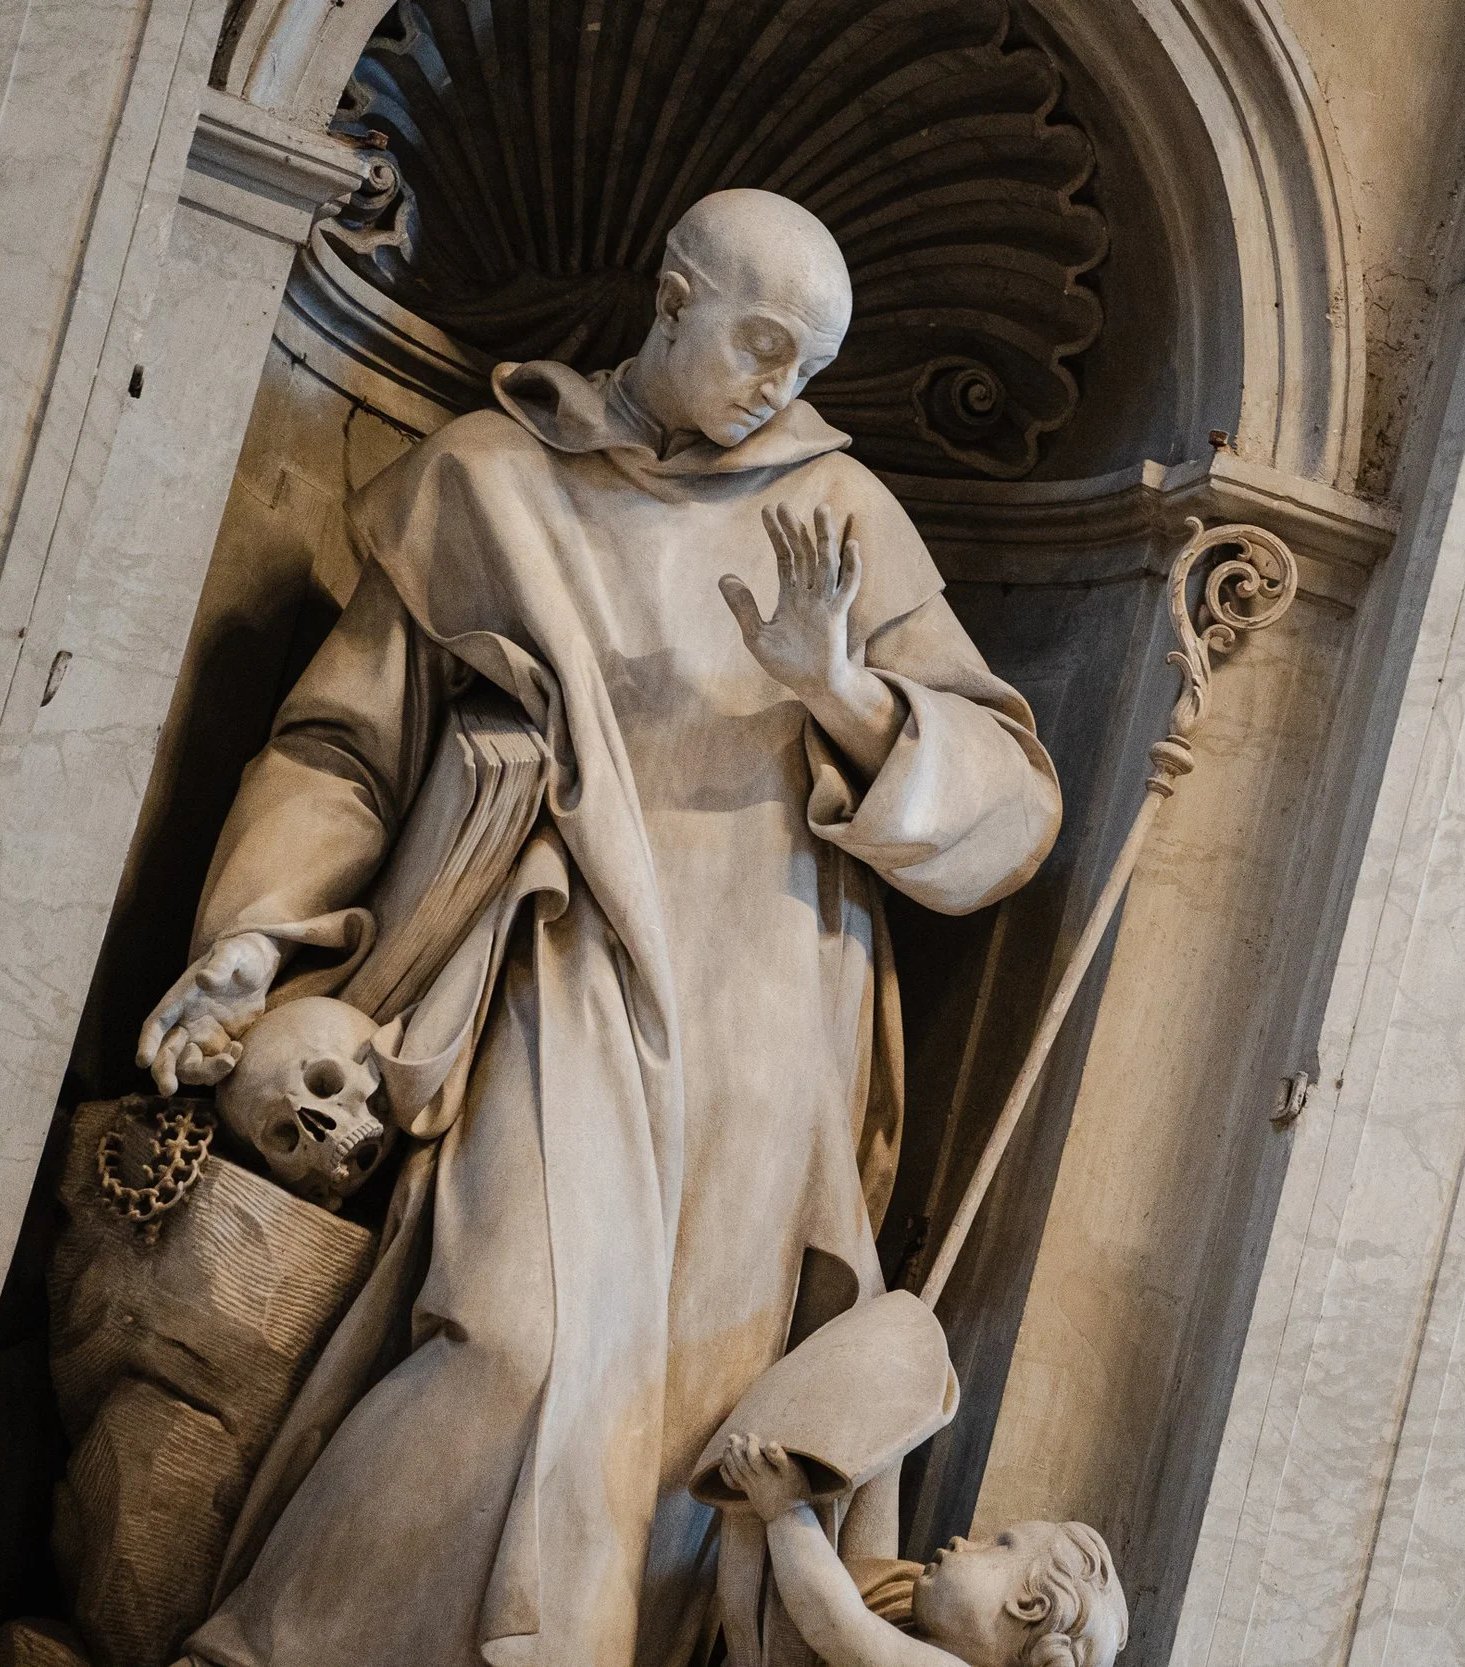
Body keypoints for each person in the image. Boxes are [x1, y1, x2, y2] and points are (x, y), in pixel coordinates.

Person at [142, 188, 1062, 1667]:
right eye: (762, 342)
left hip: (762, 1018)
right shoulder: (489, 480)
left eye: (811, 366)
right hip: (552, 963)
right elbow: (340, 747)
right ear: (672, 295)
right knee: (512, 1342)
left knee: (677, 1434)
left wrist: (841, 688)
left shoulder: (838, 517)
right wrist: (256, 934)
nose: (781, 388)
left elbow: (1014, 814)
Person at [715, 1434, 1126, 1667]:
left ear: (1028, 1606)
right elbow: (866, 1576)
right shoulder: (921, 1625)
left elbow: (837, 1624)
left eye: (998, 1546)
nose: (963, 1541)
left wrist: (787, 1509)